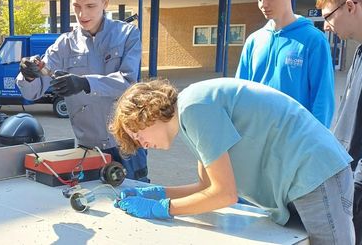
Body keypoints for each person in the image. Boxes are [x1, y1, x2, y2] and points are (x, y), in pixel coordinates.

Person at [110, 78, 354, 245]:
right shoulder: (187, 118)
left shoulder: (194, 109)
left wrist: (161, 208)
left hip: (314, 172)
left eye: (136, 133)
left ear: (147, 113)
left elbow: (225, 195)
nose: (140, 142)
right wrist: (156, 193)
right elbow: (206, 188)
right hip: (301, 180)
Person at [16, 0, 148, 181]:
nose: (82, 14)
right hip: (88, 149)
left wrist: (84, 83)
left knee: (135, 200)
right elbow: (32, 93)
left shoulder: (127, 35)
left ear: (105, 2)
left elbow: (128, 83)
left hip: (128, 145)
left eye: (90, 5)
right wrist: (29, 74)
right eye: (76, 6)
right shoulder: (64, 45)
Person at [236, 0, 334, 127]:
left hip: (295, 140)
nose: (263, 4)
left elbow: (323, 98)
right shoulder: (254, 40)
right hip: (256, 135)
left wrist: (315, 145)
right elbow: (239, 92)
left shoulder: (314, 40)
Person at [317, 0, 362, 245]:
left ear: (350, 6)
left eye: (328, 16)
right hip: (349, 178)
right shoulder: (359, 53)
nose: (326, 26)